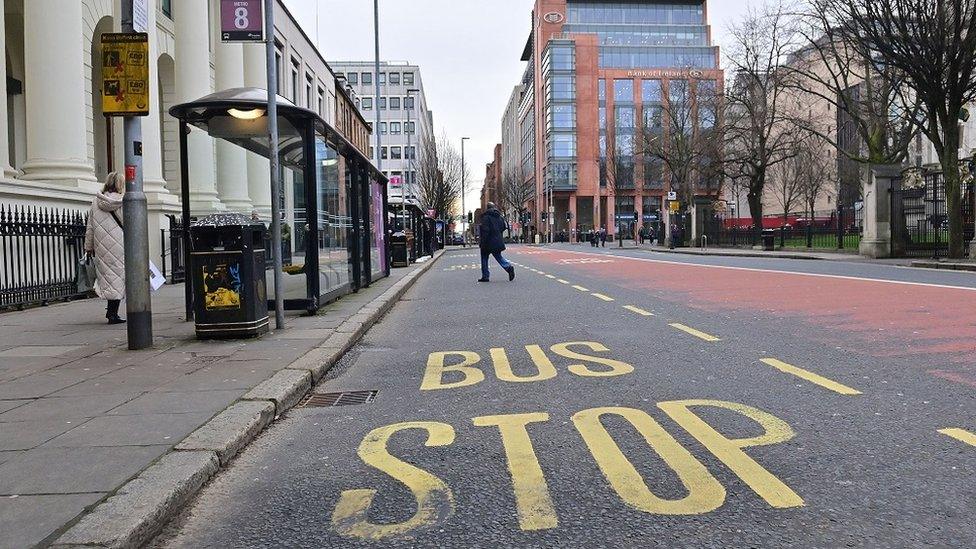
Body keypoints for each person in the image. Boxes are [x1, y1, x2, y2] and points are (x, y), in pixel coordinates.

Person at [84, 171, 126, 324]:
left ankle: (111, 312)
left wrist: (88, 247)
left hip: (102, 246)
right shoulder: (124, 201)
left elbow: (90, 227)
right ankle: (113, 313)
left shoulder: (96, 201)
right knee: (119, 277)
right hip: (121, 244)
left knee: (109, 277)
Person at [477, 202, 515, 282]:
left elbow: (485, 231)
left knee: (484, 258)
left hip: (487, 242)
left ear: (487, 208)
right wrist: (497, 233)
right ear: (494, 207)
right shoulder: (499, 217)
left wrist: (482, 242)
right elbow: (504, 227)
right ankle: (508, 267)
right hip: (497, 241)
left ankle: (485, 276)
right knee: (498, 257)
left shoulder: (486, 217)